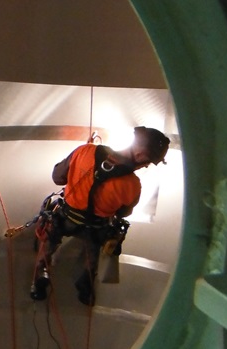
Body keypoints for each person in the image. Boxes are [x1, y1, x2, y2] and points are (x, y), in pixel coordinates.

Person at [29, 126, 170, 305]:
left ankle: (39, 280)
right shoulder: (133, 185)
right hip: (95, 228)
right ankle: (85, 286)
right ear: (141, 155)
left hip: (66, 218)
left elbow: (58, 177)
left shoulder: (85, 151)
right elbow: (123, 212)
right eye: (148, 162)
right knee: (93, 252)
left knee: (48, 241)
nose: (146, 165)